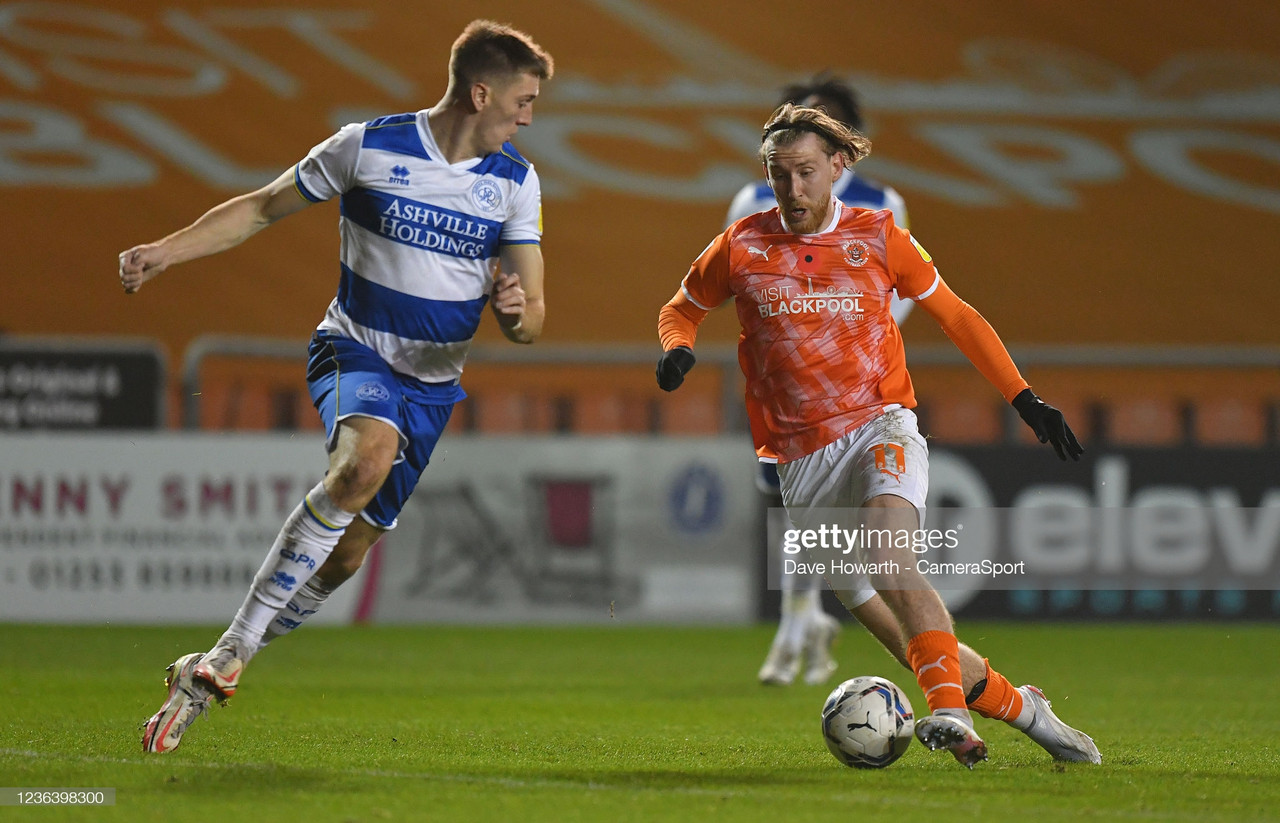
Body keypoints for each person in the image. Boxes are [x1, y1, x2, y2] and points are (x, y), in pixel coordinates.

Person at [121, 19, 554, 754]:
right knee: (362, 462)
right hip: (355, 350)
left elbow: (535, 315)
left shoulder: (515, 182)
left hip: (433, 388)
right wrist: (165, 250)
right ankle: (230, 652)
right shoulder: (368, 146)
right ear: (480, 91)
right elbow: (260, 207)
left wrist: (516, 314)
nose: (529, 115)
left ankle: (213, 664)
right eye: (522, 99)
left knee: (347, 555)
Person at [655, 104, 1099, 767]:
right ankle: (1025, 707)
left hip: (879, 424)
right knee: (891, 625)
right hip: (800, 460)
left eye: (805, 172)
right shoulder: (741, 246)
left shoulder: (881, 237)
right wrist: (676, 347)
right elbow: (681, 306)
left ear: (838, 166)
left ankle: (946, 711)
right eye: (779, 175)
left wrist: (1023, 397)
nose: (793, 190)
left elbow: (956, 313)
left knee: (893, 560)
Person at [724, 76, 913, 688]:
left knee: (853, 519)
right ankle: (801, 617)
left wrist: (845, 341)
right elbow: (741, 283)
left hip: (858, 386)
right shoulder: (752, 197)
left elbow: (895, 292)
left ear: (843, 145)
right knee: (788, 502)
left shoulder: (882, 202)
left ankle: (797, 623)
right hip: (786, 385)